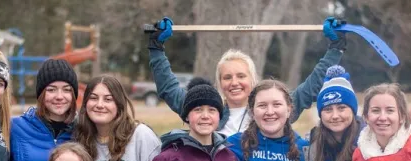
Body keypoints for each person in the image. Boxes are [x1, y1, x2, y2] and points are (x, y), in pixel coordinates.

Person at [147, 16, 347, 135]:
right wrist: (156, 48)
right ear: (220, 83)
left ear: (252, 79)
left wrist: (335, 48)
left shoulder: (272, 110)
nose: (234, 82)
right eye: (227, 77)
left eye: (241, 76)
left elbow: (311, 87)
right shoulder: (207, 112)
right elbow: (169, 90)